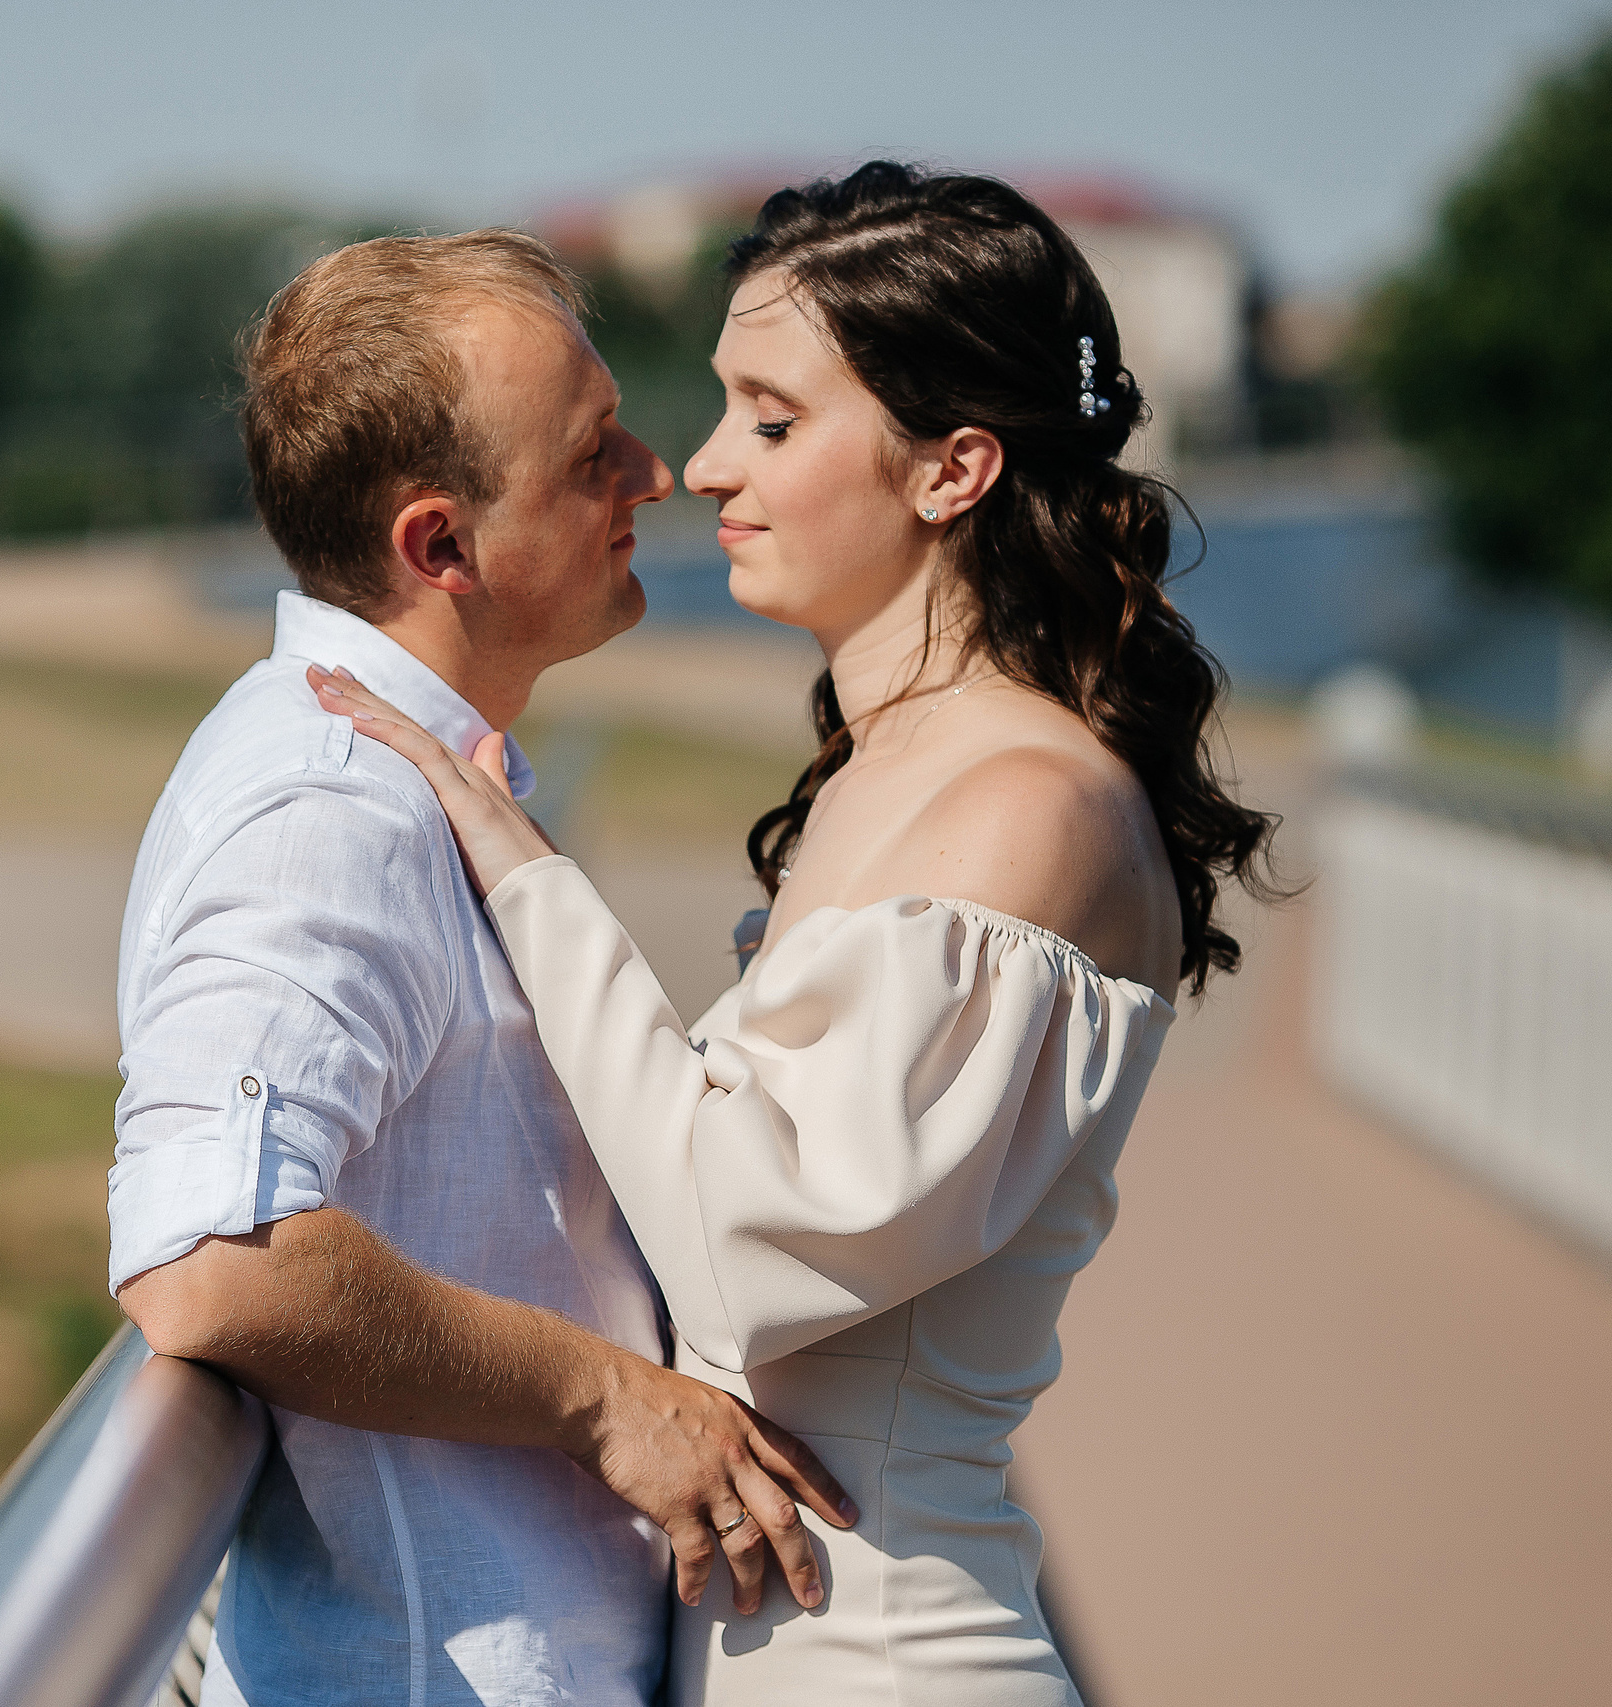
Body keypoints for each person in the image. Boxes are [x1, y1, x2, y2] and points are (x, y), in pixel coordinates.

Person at [311, 163, 1283, 1704]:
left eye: (771, 422)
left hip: (885, 1655)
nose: (699, 468)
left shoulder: (1024, 802)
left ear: (951, 468)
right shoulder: (889, 769)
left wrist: (525, 877)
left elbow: (748, 1246)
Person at [107, 230, 856, 1707]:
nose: (660, 474)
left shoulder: (405, 775)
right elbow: (208, 1257)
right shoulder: (326, 801)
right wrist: (603, 1400)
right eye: (592, 458)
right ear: (441, 548)